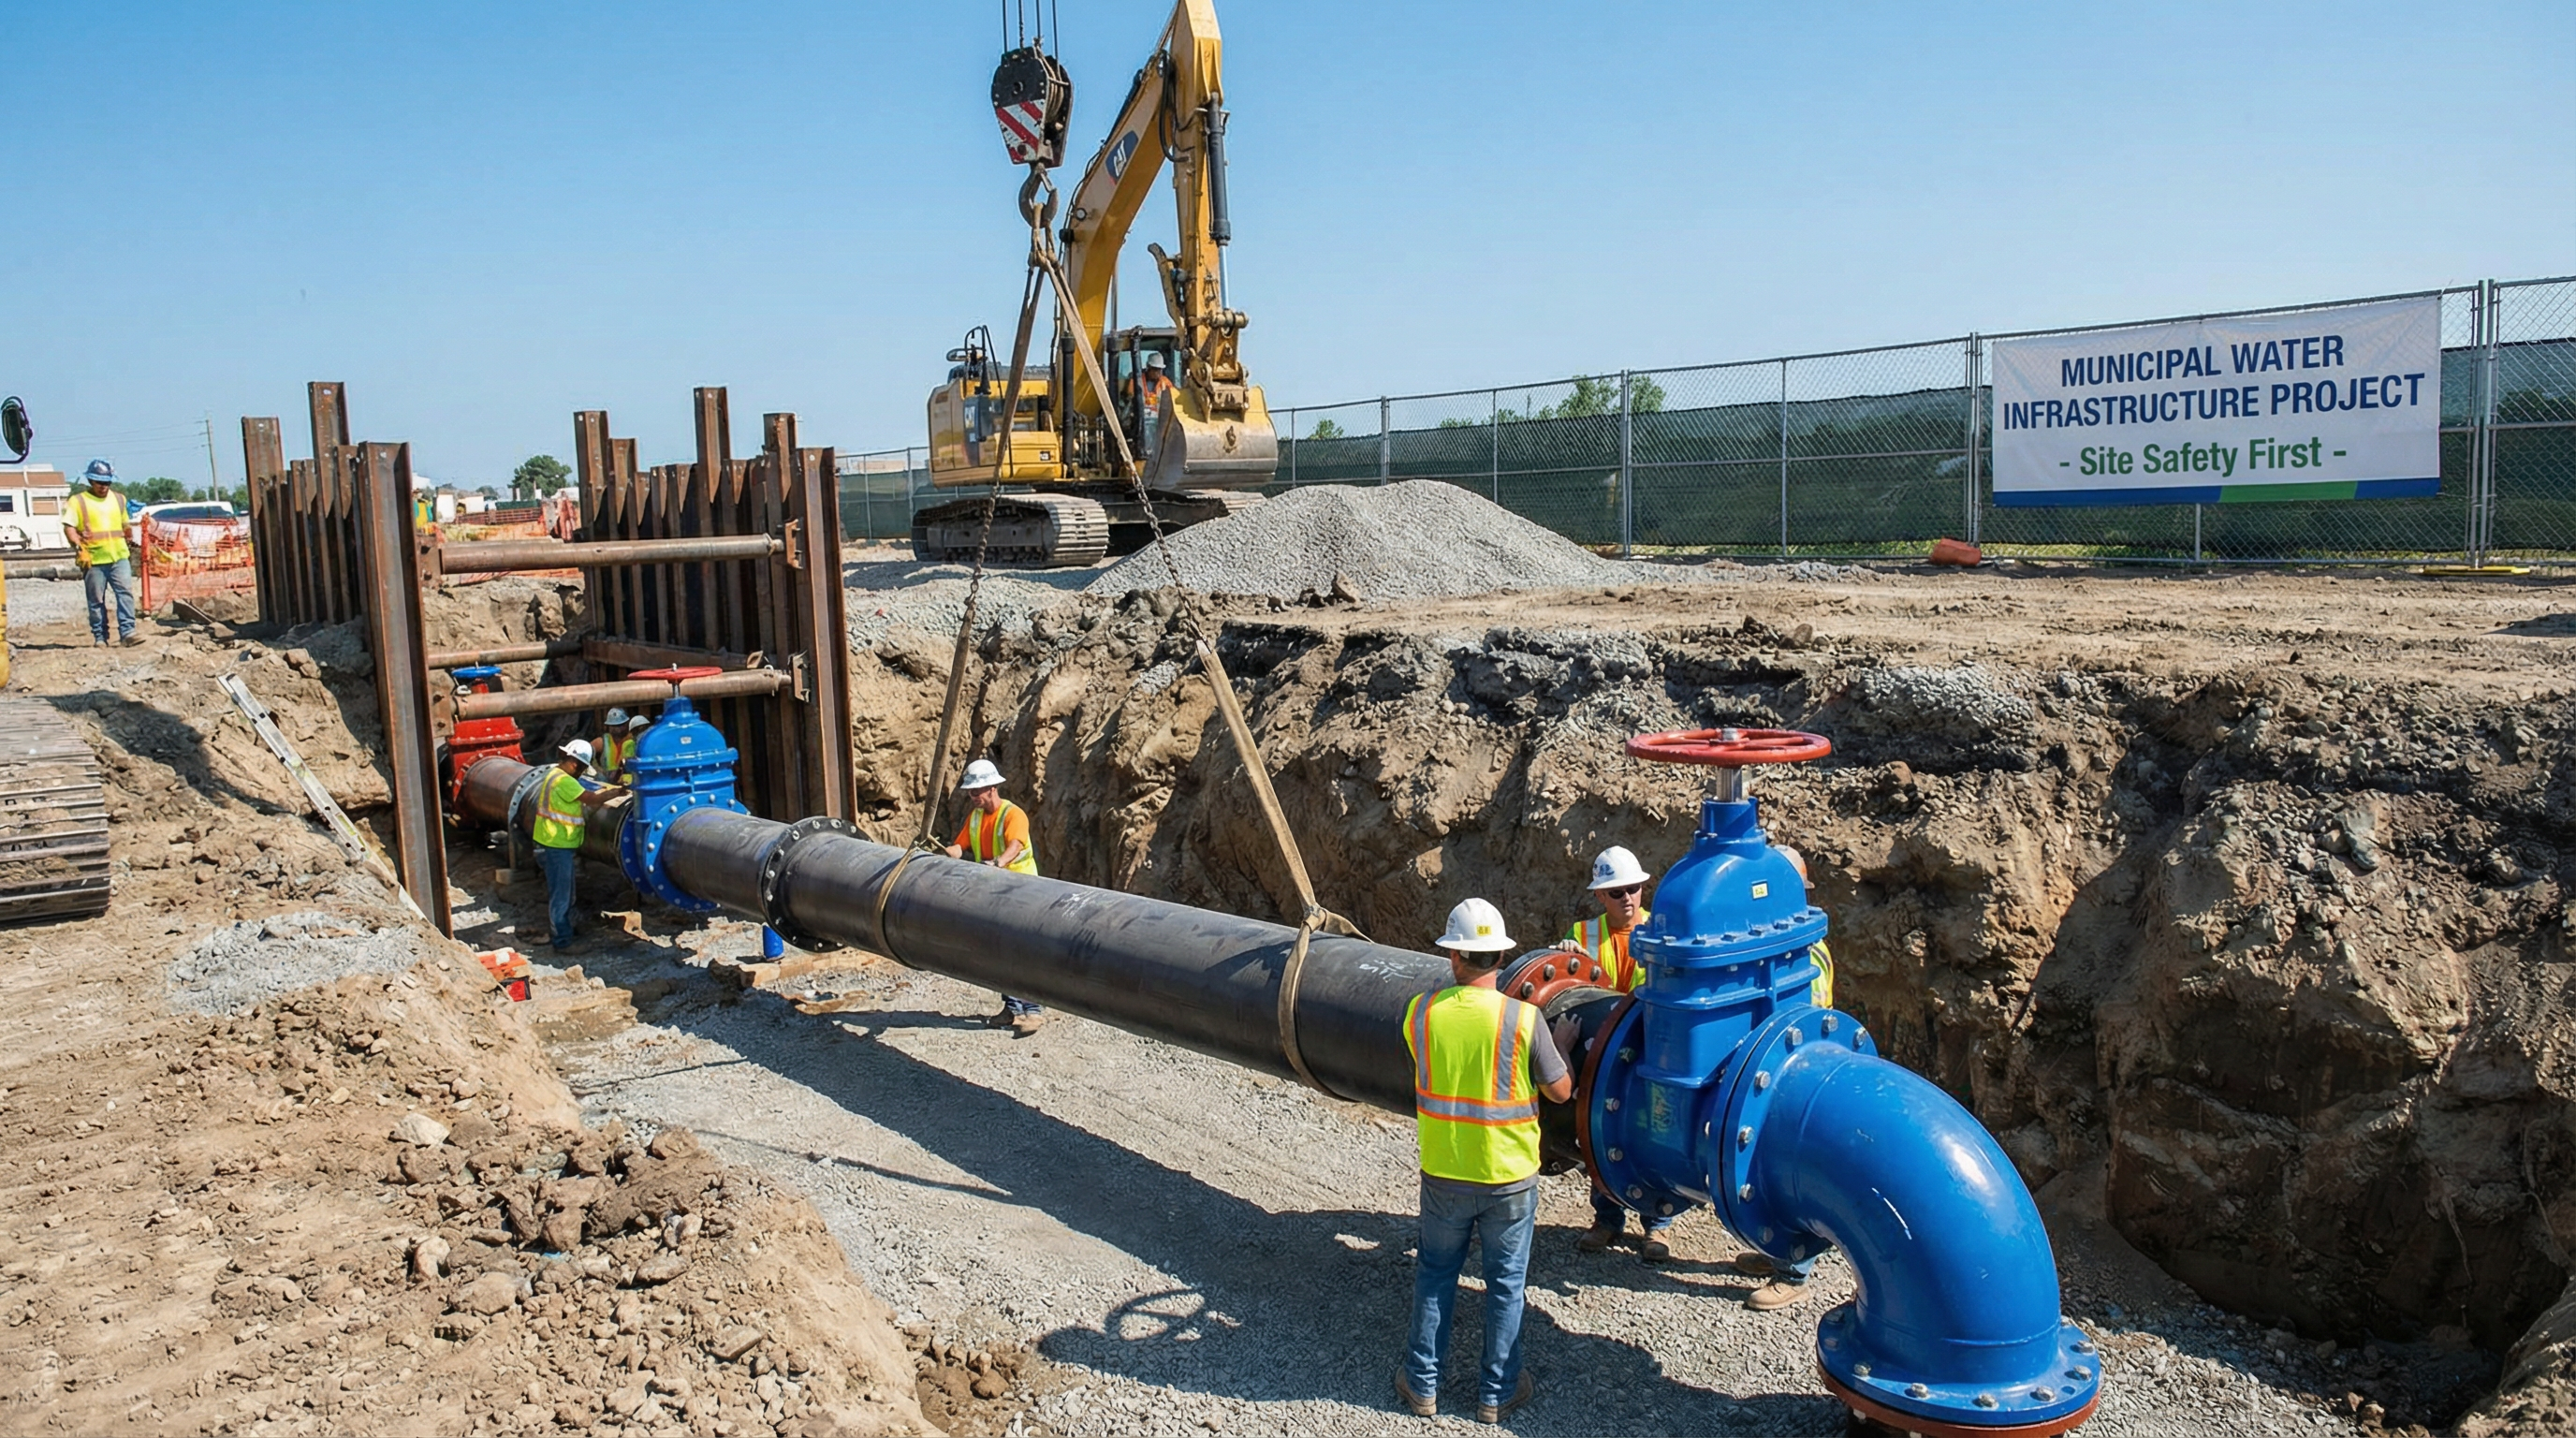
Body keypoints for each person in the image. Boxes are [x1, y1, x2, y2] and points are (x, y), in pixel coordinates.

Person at [1396, 898, 1571, 1424]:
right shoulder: (1524, 1018)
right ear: (1500, 958)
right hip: (1510, 1178)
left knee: (1435, 1275)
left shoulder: (1421, 1014)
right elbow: (1560, 1091)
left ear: (1454, 957)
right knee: (1505, 1285)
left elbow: (1423, 1058)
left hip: (1446, 1170)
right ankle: (1496, 1394)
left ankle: (1422, 1385)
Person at [1558, 845, 1676, 1260]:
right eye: (1616, 892)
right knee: (1599, 1130)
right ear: (1600, 897)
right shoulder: (1583, 936)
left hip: (1649, 1051)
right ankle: (1607, 1218)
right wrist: (1564, 957)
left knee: (1651, 1134)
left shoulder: (1663, 932)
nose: (1627, 898)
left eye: (1634, 889)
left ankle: (1657, 1225)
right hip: (1604, 1051)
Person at [1731, 843, 1834, 1312]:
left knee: (1794, 1170)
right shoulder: (1790, 947)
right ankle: (1776, 1255)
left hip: (1801, 1074)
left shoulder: (1806, 956)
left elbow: (1797, 1017)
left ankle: (1794, 1271)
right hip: (1789, 1066)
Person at [944, 758, 1046, 1035]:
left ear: (992, 788)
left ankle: (1033, 1011)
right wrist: (948, 852)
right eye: (970, 792)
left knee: (1021, 951)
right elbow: (960, 845)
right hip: (993, 892)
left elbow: (1015, 845)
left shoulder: (1014, 815)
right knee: (996, 952)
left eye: (976, 791)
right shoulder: (975, 818)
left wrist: (999, 862)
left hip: (1021, 891)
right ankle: (1012, 1008)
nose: (972, 796)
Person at [64, 459, 139, 647]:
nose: (104, 486)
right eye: (100, 483)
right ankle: (100, 636)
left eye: (107, 482)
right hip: (94, 558)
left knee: (125, 594)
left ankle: (128, 632)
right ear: (91, 481)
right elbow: (69, 527)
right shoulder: (78, 501)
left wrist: (131, 538)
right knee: (96, 600)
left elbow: (124, 524)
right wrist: (78, 547)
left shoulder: (119, 499)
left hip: (119, 556)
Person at [530, 740, 594, 951]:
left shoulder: (552, 774)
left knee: (566, 892)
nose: (582, 773)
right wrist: (617, 793)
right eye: (583, 768)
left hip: (551, 844)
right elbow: (590, 799)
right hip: (555, 847)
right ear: (576, 763)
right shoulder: (565, 781)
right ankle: (562, 942)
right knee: (561, 896)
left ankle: (567, 928)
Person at [1138, 352, 1175, 460]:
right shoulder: (1137, 382)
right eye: (1155, 369)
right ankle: (1147, 453)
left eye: (1160, 370)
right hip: (1143, 419)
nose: (1158, 373)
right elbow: (1129, 400)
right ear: (1148, 368)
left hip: (1161, 418)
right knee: (1147, 425)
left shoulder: (1166, 383)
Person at [598, 709, 646, 786]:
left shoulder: (634, 740)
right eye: (613, 726)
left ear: (627, 724)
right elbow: (587, 750)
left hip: (629, 782)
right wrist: (597, 769)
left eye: (620, 725)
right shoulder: (604, 741)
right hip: (607, 783)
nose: (617, 728)